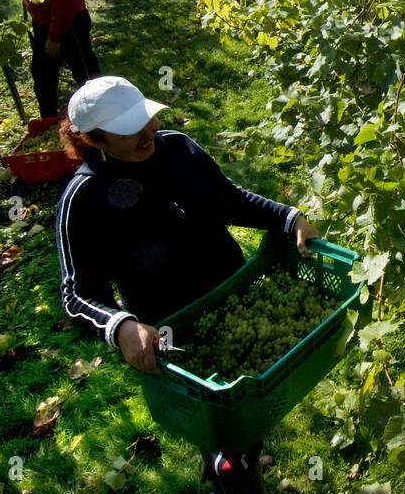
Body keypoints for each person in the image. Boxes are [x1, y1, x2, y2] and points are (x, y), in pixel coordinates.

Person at [54, 75, 322, 376]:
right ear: (94, 139)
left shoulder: (178, 149)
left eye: (148, 117)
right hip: (175, 331)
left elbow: (230, 200)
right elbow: (78, 292)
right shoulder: (85, 198)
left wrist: (289, 218)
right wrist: (121, 328)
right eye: (131, 130)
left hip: (237, 295)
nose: (150, 131)